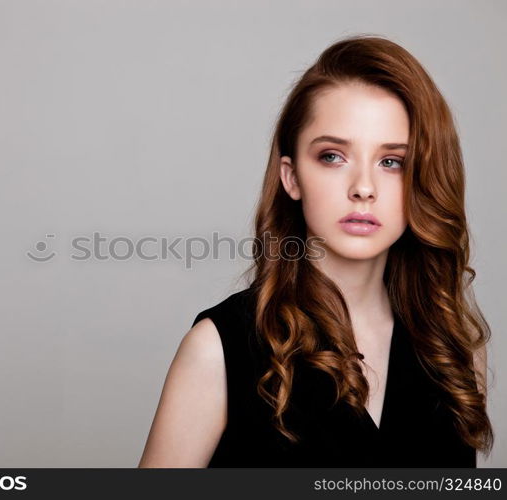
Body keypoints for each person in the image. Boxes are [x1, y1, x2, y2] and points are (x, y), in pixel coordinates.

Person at [137, 34, 493, 468]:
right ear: (291, 177)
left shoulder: (453, 351)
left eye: (392, 161)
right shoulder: (217, 350)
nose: (363, 187)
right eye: (332, 156)